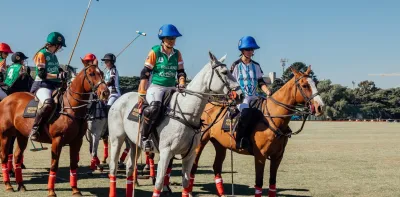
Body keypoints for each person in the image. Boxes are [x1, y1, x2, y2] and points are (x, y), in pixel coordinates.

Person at [138, 24, 187, 152]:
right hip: (157, 87)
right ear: (163, 39)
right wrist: (142, 92)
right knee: (154, 108)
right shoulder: (155, 51)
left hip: (172, 87)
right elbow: (145, 73)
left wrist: (181, 82)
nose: (172, 40)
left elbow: (181, 72)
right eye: (169, 38)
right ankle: (145, 137)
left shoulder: (178, 53)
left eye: (174, 38)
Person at [230, 36, 271, 150]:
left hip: (255, 97)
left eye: (252, 49)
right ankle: (240, 140)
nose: (251, 52)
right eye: (248, 49)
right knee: (246, 113)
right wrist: (233, 94)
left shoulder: (256, 65)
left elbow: (260, 82)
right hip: (241, 98)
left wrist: (267, 91)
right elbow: (230, 84)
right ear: (242, 50)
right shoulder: (235, 65)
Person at [29, 32, 68, 140]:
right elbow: (42, 74)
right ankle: (35, 128)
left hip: (54, 85)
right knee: (48, 103)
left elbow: (55, 69)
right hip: (42, 85)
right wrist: (58, 75)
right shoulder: (41, 54)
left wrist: (62, 72)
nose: (60, 49)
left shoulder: (53, 56)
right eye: (60, 46)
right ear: (54, 45)